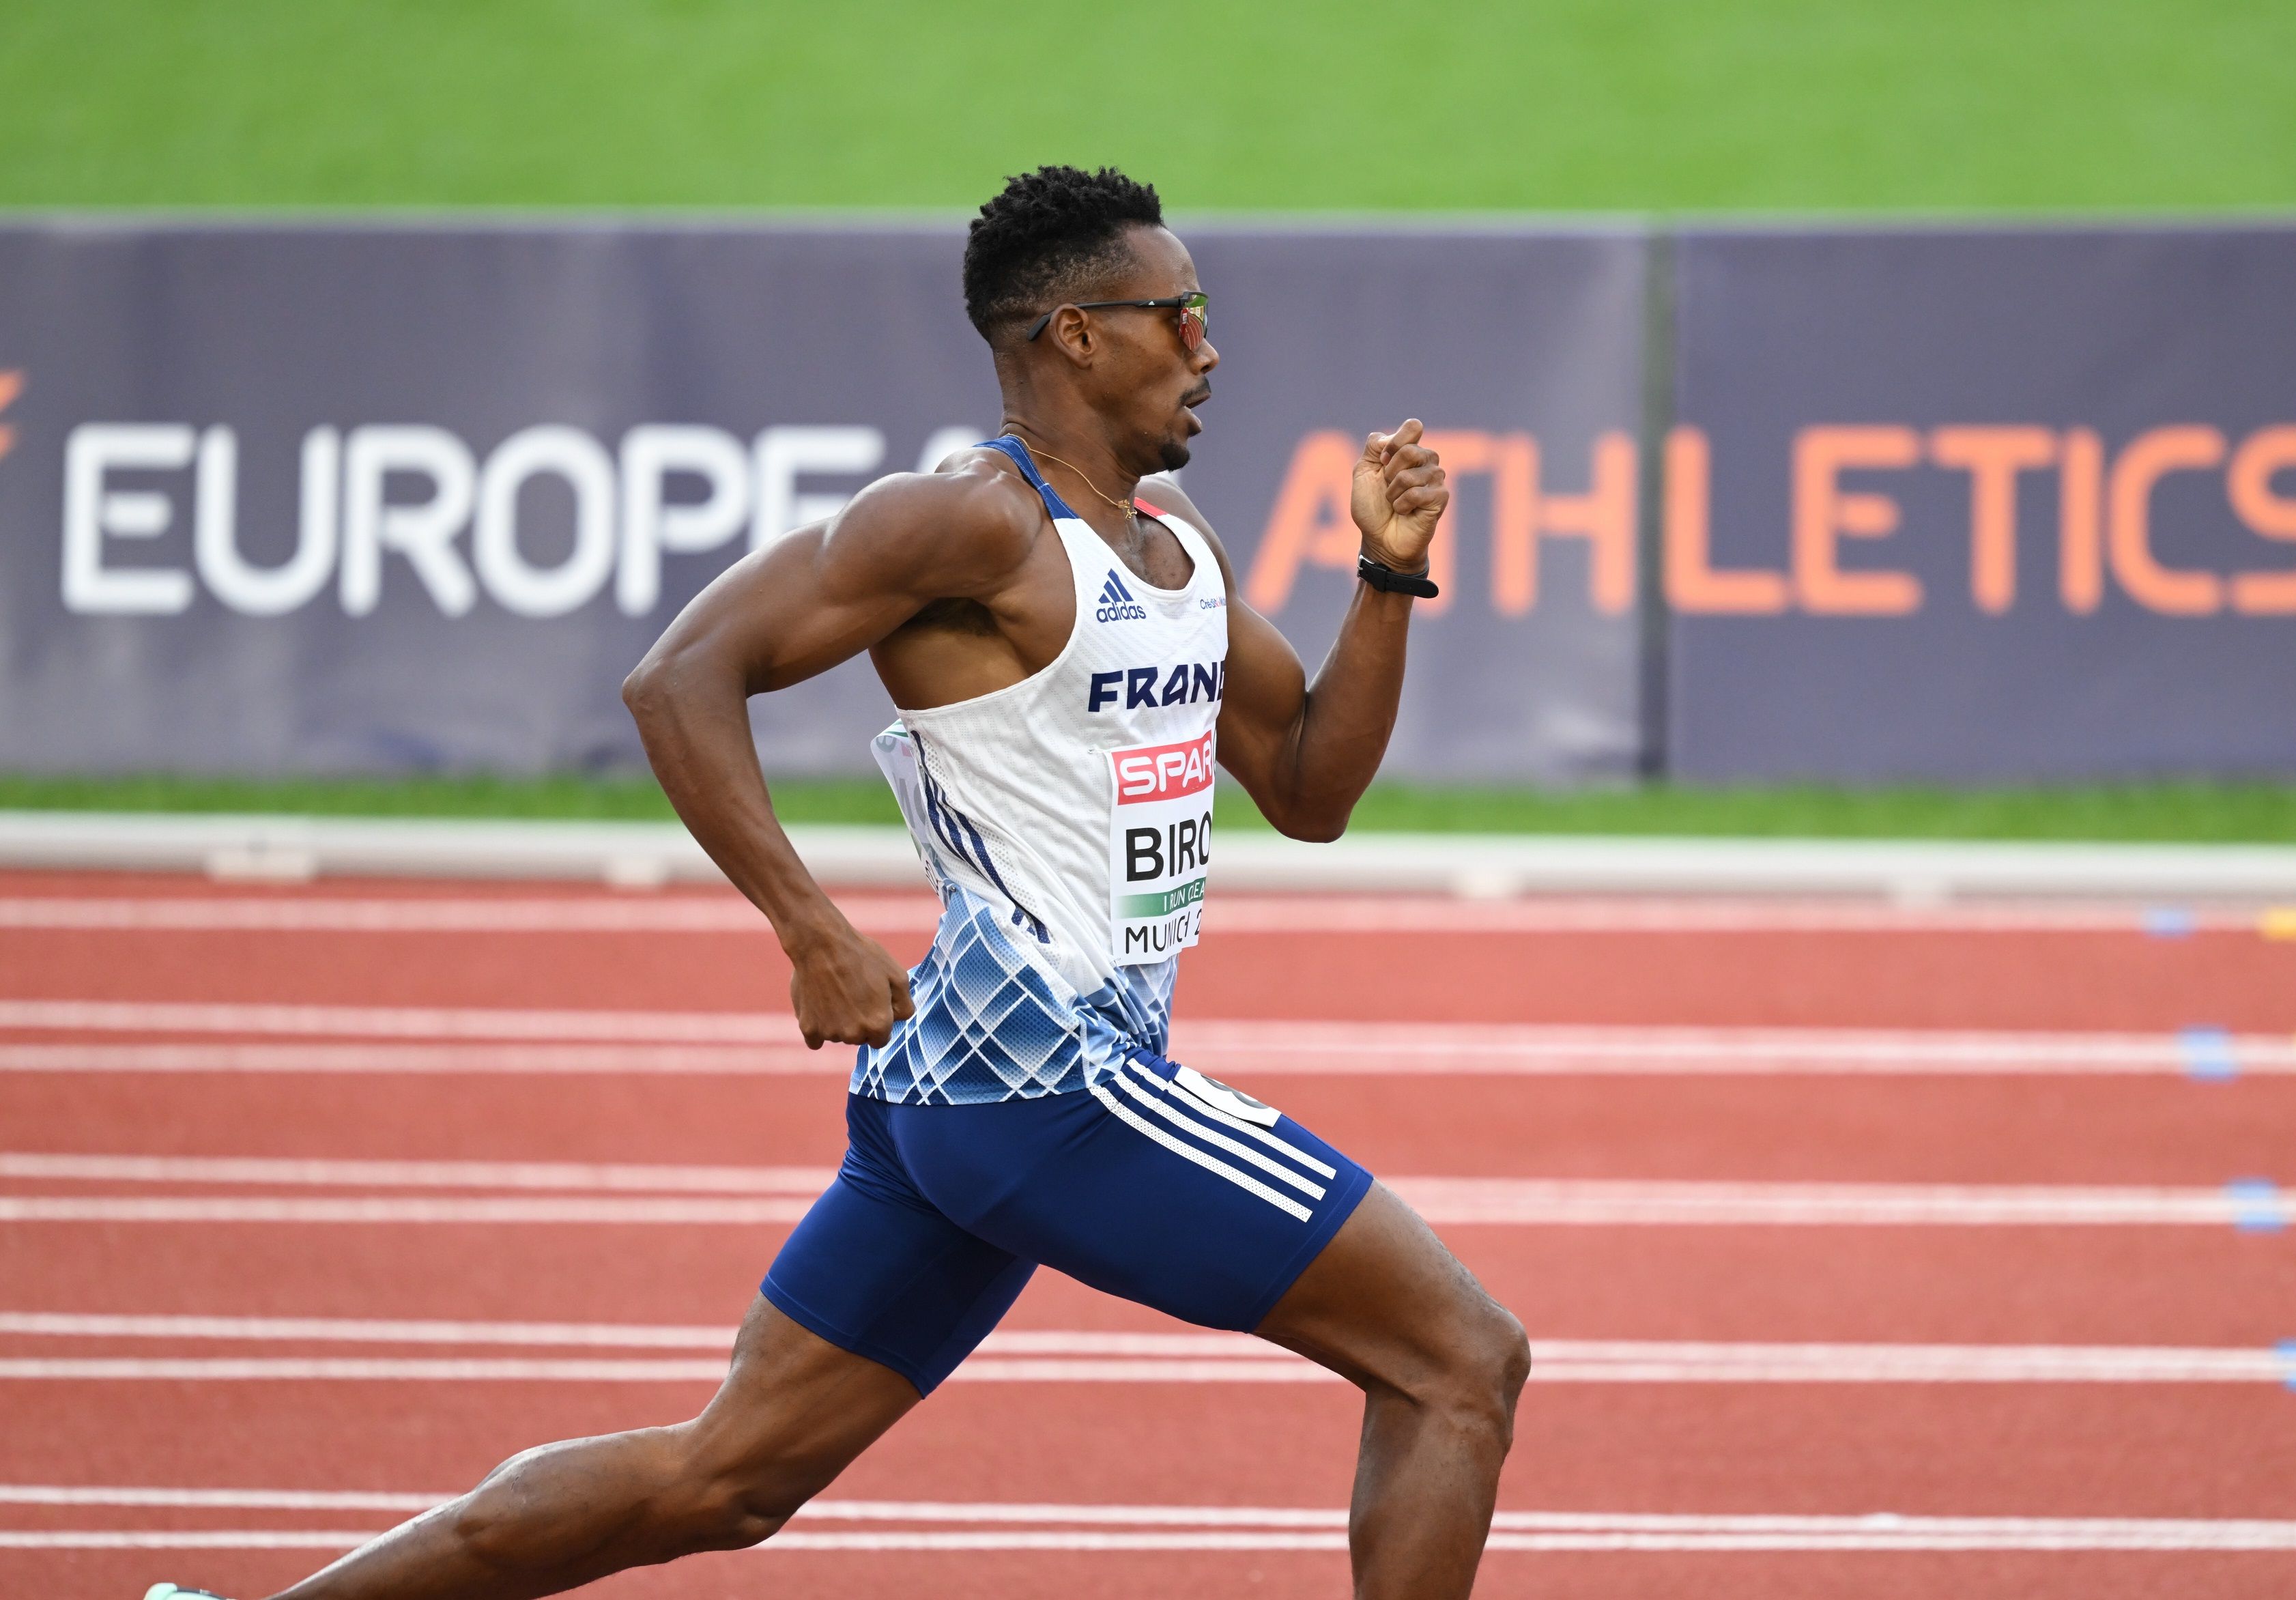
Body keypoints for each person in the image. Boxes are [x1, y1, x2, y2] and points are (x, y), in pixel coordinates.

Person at [147, 163, 1527, 1600]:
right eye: (1174, 314)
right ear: (1071, 333)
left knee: (723, 1477)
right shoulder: (965, 525)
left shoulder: (1172, 543)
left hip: (967, 1086)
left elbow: (1308, 789)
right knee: (1460, 1358)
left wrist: (1384, 574)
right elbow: (677, 676)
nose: (1207, 344)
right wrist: (809, 929)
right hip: (1044, 1078)